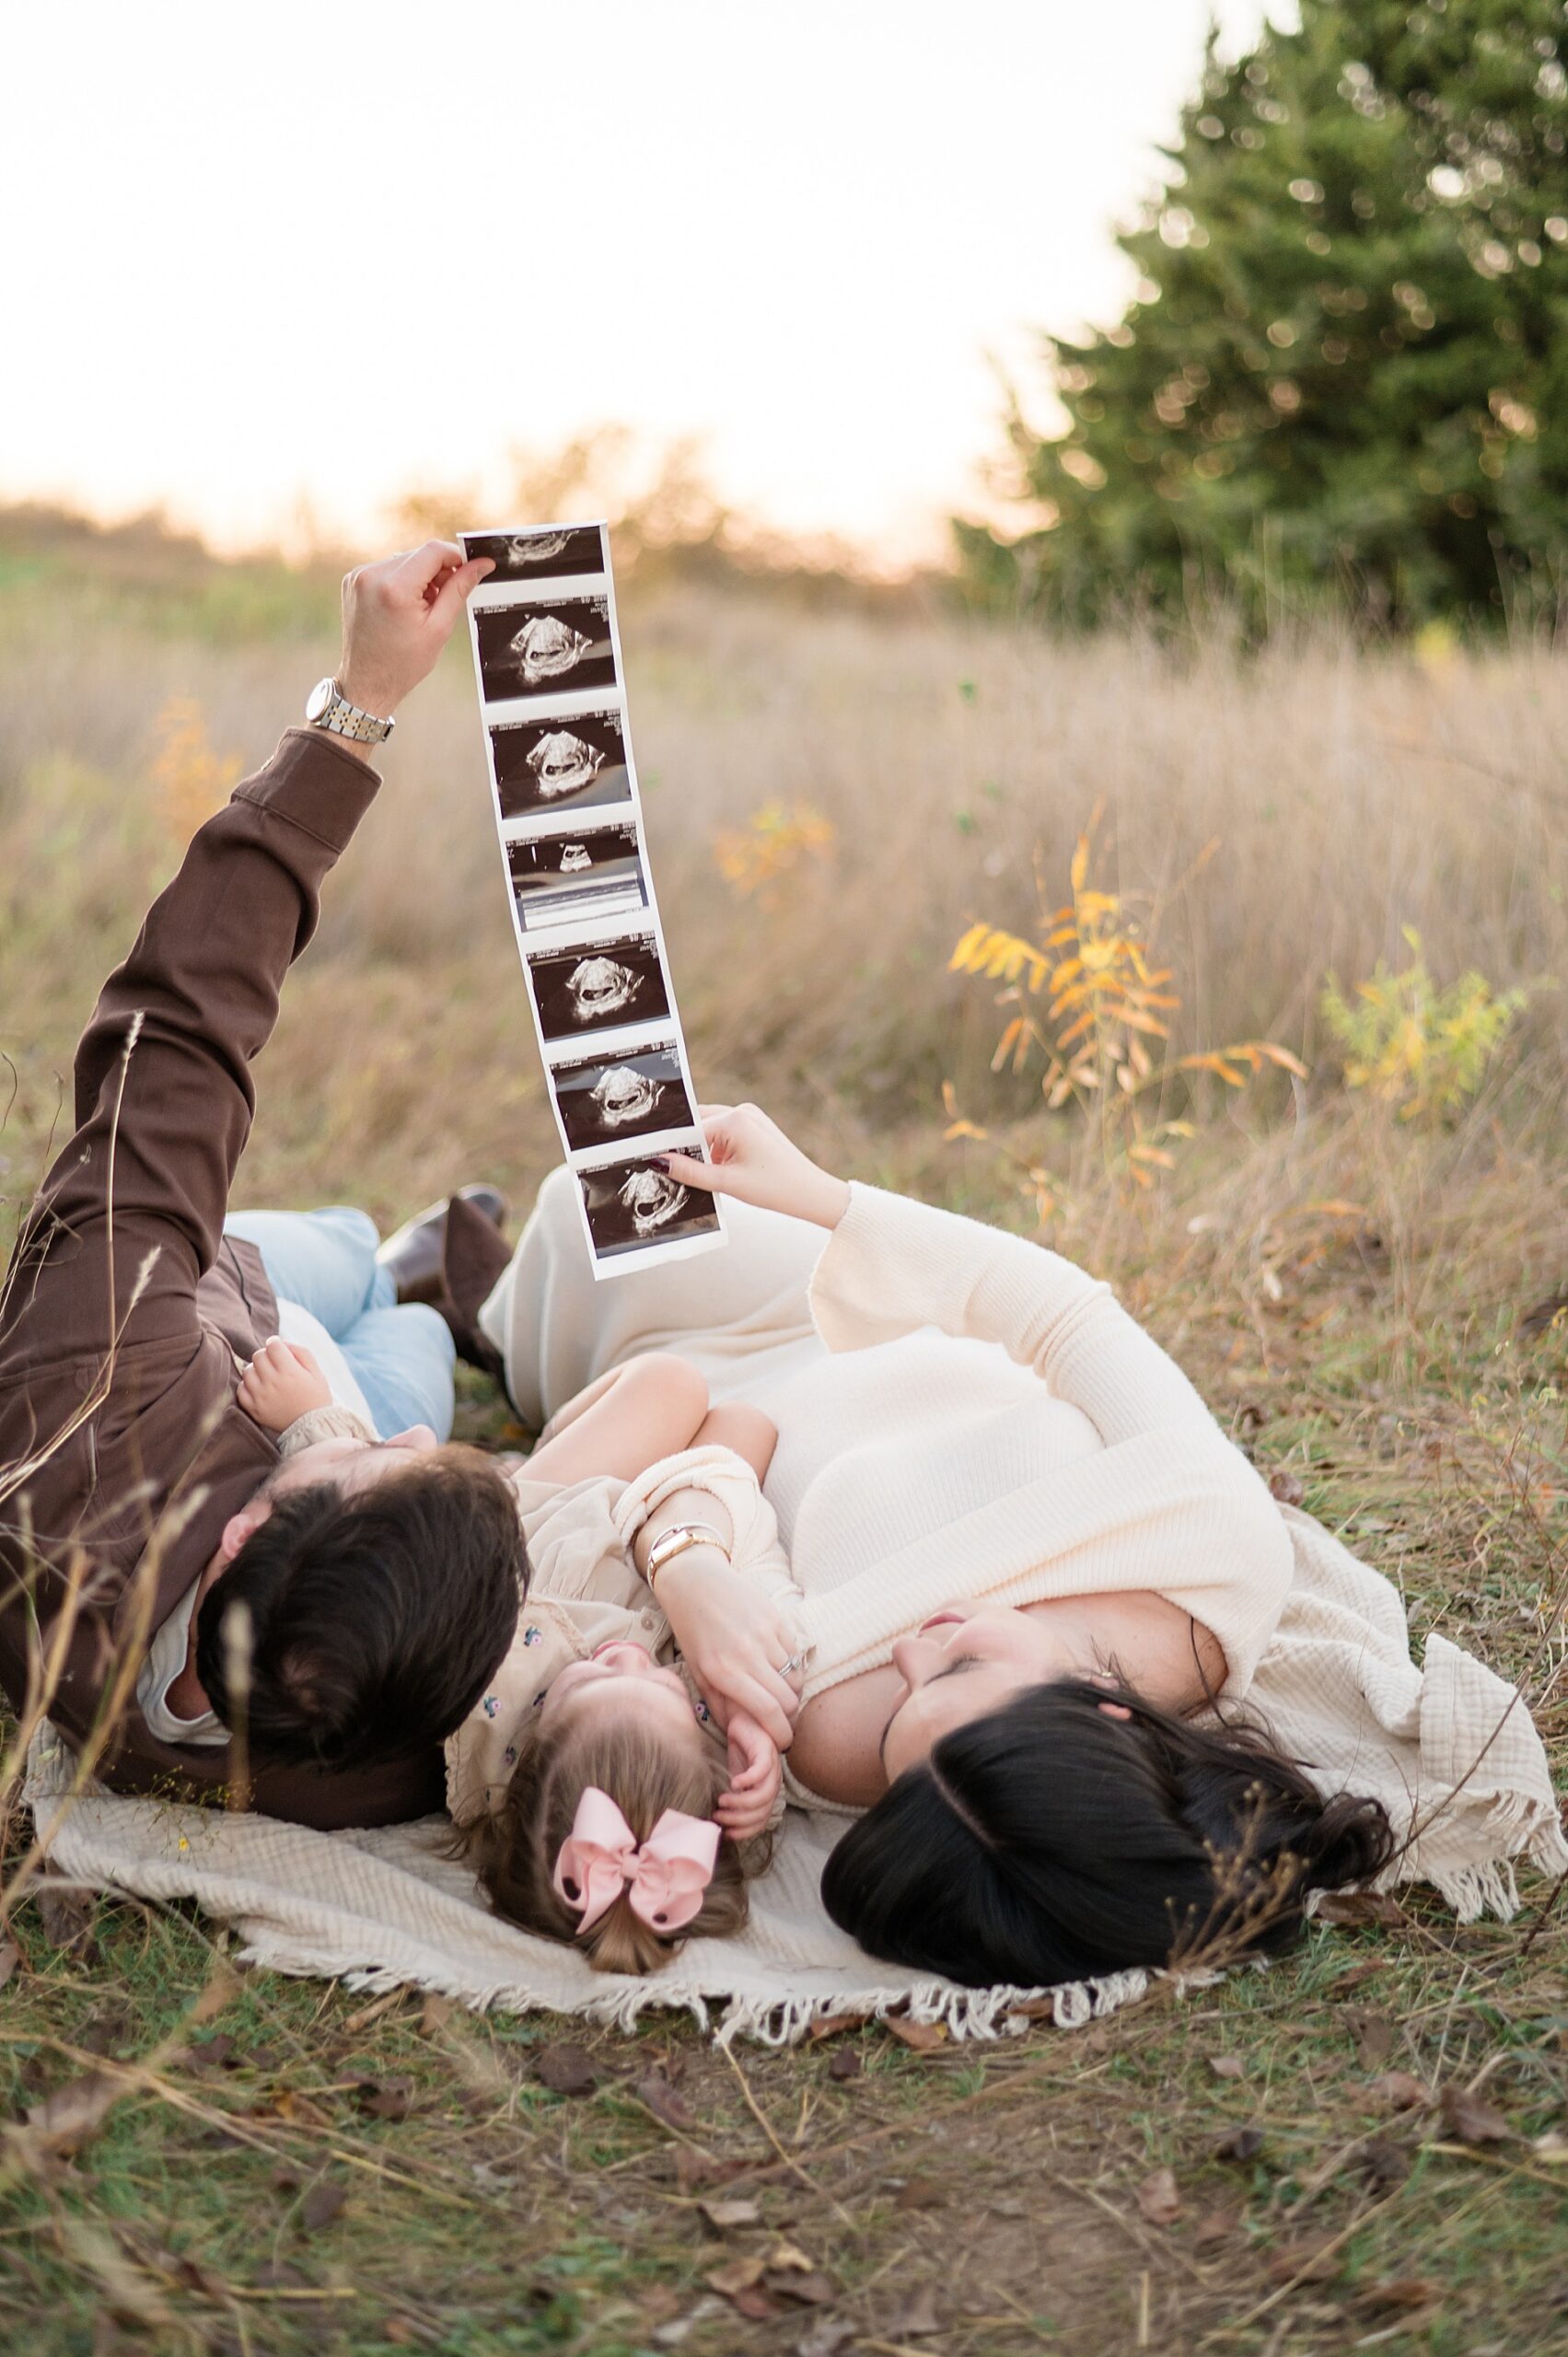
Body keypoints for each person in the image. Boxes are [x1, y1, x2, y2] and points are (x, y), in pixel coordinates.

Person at [472, 1103, 1562, 1990]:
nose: (905, 1656)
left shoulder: (849, 1744)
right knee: (626, 1172)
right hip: (839, 1306)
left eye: (907, 1704)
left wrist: (690, 1568)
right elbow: (1058, 1314)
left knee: (585, 1217)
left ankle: (469, 1298)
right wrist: (825, 1197)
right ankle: (474, 1280)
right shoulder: (1216, 1552)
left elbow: (712, 1474)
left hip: (705, 1384)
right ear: (1103, 1709)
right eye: (957, 1666)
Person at [0, 543, 525, 1829]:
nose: (408, 1445)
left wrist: (351, 711)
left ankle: (394, 1263)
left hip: (201, 1310)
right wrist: (336, 1433)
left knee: (331, 1256)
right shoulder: (371, 1755)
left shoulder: (90, 1384)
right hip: (271, 1356)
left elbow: (175, 1040)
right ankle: (425, 1294)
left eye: (373, 1467)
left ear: (242, 1537)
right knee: (396, 1343)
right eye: (413, 1456)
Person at [447, 1352, 807, 1975]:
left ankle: (539, 1433)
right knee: (742, 1425)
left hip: (549, 1524)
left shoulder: (481, 1691)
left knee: (673, 1383)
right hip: (679, 1527)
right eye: (665, 1685)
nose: (630, 1658)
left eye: (587, 1679)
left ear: (525, 1758)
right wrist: (753, 1713)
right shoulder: (705, 1726)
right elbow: (749, 1434)